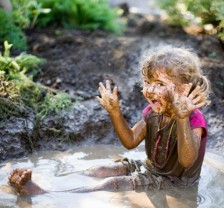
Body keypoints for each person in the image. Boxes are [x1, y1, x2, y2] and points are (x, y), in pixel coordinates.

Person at [8, 46, 210, 195]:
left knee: (111, 183)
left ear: (183, 90)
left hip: (174, 183)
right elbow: (130, 141)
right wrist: (115, 112)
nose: (150, 90)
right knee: (99, 170)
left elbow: (186, 161)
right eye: (148, 82)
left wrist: (182, 118)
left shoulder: (194, 119)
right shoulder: (153, 112)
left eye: (159, 84)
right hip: (150, 168)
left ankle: (43, 193)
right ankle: (51, 182)